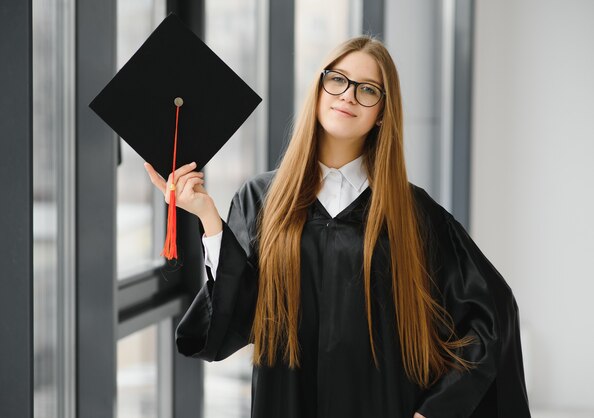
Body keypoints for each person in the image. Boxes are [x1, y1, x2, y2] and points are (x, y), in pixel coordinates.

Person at [144, 36, 531, 418]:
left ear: (382, 112)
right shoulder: (262, 198)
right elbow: (240, 310)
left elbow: (489, 316)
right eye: (337, 80)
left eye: (367, 90)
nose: (347, 95)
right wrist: (208, 218)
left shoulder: (412, 212)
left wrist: (435, 412)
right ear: (318, 89)